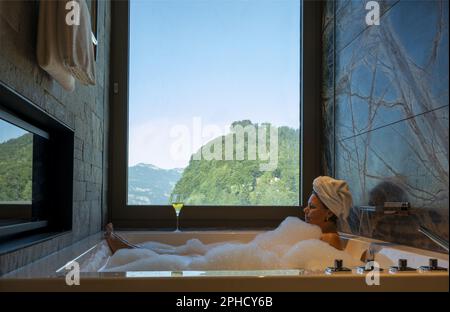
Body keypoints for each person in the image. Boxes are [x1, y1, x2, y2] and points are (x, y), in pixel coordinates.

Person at [105, 176, 353, 253]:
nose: (305, 210)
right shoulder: (316, 236)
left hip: (258, 259)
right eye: (308, 205)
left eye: (313, 207)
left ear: (330, 213)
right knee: (190, 252)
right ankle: (129, 248)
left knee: (190, 255)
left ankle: (127, 249)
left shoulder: (329, 241)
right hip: (255, 255)